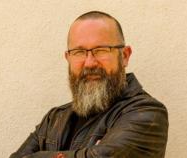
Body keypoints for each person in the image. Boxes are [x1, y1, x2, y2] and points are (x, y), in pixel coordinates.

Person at [10, 11, 169, 158]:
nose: (90, 63)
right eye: (79, 52)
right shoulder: (54, 119)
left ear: (125, 56)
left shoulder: (148, 113)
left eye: (101, 50)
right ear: (68, 58)